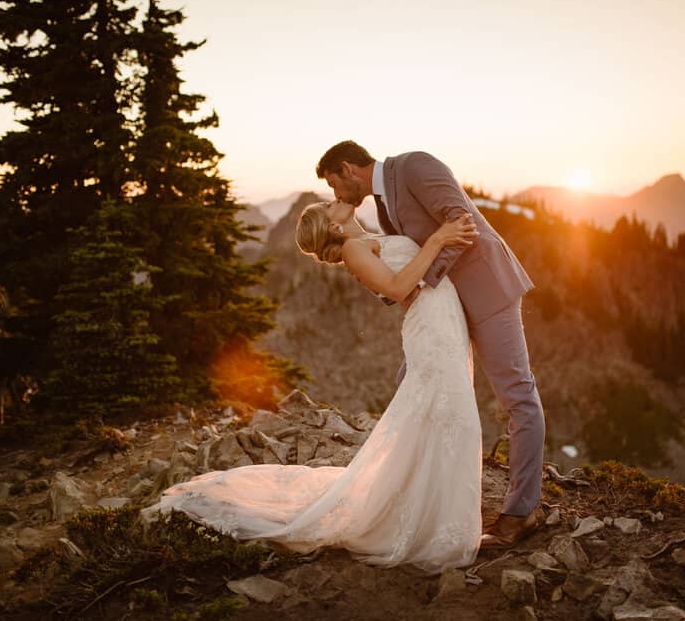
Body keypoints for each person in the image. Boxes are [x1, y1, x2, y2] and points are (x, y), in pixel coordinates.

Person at [141, 202, 483, 573]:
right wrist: (439, 239)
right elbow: (397, 287)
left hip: (441, 321)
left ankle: (429, 509)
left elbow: (405, 284)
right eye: (330, 205)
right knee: (455, 419)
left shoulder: (368, 239)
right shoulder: (353, 249)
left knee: (444, 419)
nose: (337, 201)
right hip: (432, 330)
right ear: (334, 228)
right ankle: (435, 524)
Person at [315, 140, 545, 548]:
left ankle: (521, 511)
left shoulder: (415, 166)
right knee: (414, 387)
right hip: (444, 310)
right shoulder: (382, 206)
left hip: (486, 292)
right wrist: (405, 287)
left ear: (348, 169)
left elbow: (461, 224)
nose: (336, 195)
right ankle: (418, 498)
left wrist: (421, 283)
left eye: (334, 185)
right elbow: (399, 264)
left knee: (517, 396)